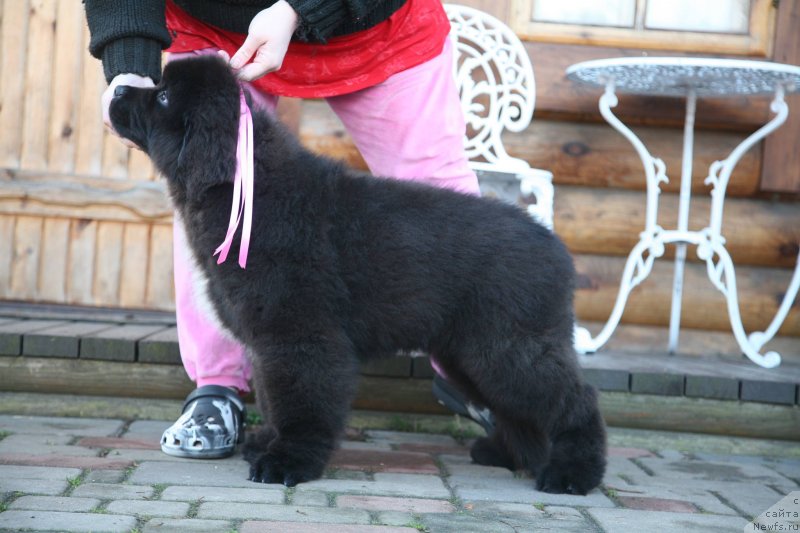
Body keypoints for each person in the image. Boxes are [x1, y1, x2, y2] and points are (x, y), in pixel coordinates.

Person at [84, 0, 492, 459]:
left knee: (437, 189)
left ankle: (483, 374)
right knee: (213, 194)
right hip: (218, 33)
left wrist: (297, 9)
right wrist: (129, 63)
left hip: (374, 28)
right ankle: (217, 389)